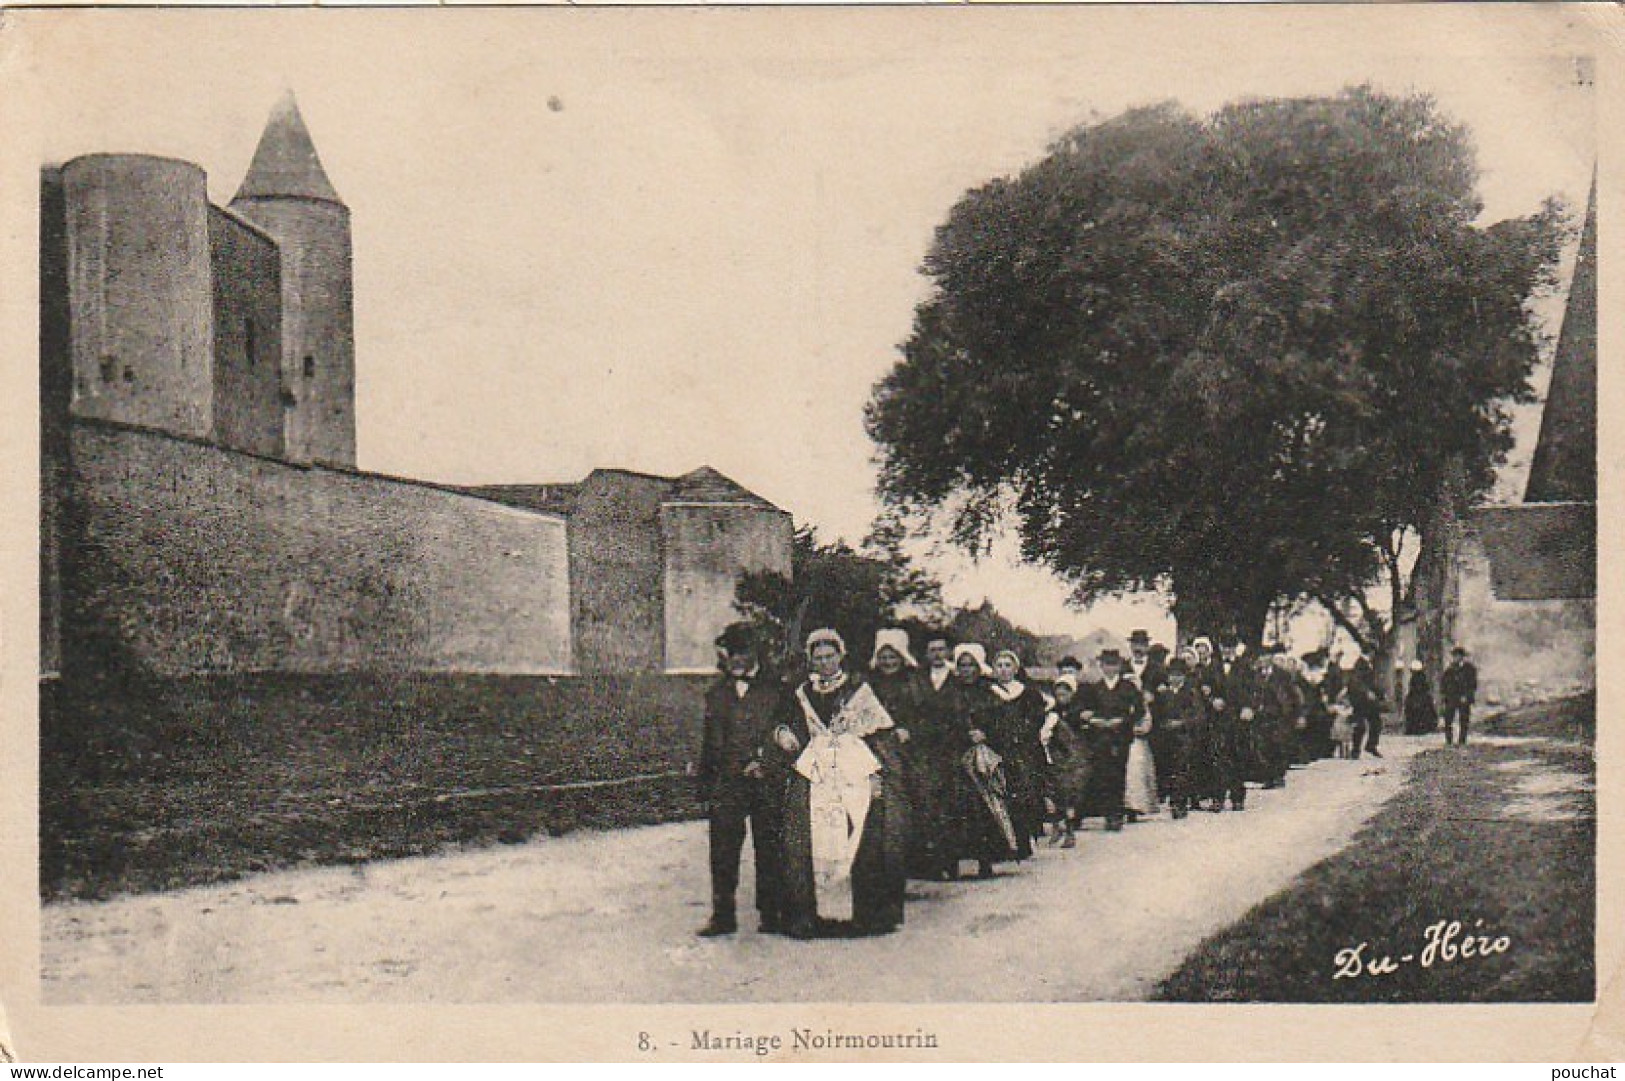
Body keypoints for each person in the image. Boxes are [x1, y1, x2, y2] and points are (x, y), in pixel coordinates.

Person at [781, 628, 908, 938]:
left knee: (859, 833)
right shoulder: (802, 694)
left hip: (853, 769)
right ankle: (812, 915)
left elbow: (880, 735)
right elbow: (790, 725)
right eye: (818, 657)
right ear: (810, 660)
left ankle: (864, 915)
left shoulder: (859, 691)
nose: (824, 663)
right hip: (818, 770)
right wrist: (784, 733)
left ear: (841, 656)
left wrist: (877, 774)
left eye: (830, 656)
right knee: (808, 833)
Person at [695, 622, 796, 937]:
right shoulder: (716, 694)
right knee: (723, 851)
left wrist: (765, 762)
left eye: (744, 652)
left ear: (756, 654)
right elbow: (710, 743)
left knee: (769, 847)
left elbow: (790, 734)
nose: (737, 659)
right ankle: (723, 915)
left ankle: (771, 913)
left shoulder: (778, 692)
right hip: (727, 784)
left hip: (765, 781)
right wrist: (706, 785)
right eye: (732, 653)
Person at [942, 643, 1019, 878]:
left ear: (979, 667)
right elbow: (939, 722)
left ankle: (985, 860)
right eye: (962, 665)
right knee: (955, 809)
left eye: (971, 665)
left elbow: (1005, 724)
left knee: (984, 808)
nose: (966, 670)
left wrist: (986, 734)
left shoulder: (990, 692)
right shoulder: (949, 692)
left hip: (981, 759)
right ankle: (952, 862)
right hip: (955, 756)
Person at [986, 649, 1046, 852]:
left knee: (1023, 792)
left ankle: (1024, 840)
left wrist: (1022, 734)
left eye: (1007, 665)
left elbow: (1038, 718)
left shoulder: (1027, 692)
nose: (1003, 670)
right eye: (999, 666)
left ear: (1016, 669)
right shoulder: (988, 692)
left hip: (1023, 749)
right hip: (998, 749)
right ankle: (1005, 843)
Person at [1077, 648, 1141, 831]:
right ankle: (1107, 813)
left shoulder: (1128, 688)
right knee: (1102, 774)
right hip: (1100, 736)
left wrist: (1122, 721)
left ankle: (1116, 815)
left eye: (1114, 664)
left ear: (1120, 666)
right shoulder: (1095, 688)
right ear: (1101, 666)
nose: (1110, 668)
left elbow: (1139, 710)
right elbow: (1085, 710)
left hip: (1120, 737)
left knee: (1118, 774)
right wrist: (1094, 719)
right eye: (1107, 664)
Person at [1150, 657, 1207, 818]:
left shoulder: (1191, 693)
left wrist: (1182, 723)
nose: (1175, 678)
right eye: (1172, 675)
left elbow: (1199, 716)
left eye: (1179, 675)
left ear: (1184, 676)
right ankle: (1171, 799)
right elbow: (1156, 715)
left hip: (1184, 737)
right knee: (1168, 769)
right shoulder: (1163, 695)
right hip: (1165, 738)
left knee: (1182, 769)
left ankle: (1179, 803)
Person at [1040, 674, 1090, 846]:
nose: (1061, 697)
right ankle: (1057, 826)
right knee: (1054, 795)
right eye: (1058, 694)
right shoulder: (1052, 714)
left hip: (1072, 758)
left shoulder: (1077, 712)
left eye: (1065, 694)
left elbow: (1074, 738)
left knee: (1069, 797)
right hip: (1056, 758)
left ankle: (1069, 831)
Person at [1347, 656, 1384, 759]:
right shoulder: (1360, 664)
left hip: (1368, 703)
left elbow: (1372, 684)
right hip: (1359, 701)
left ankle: (1371, 745)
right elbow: (1356, 682)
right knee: (1360, 726)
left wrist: (1380, 694)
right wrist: (1366, 692)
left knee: (1376, 723)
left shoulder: (1369, 665)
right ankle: (1355, 750)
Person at [1441, 646, 1478, 746]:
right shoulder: (1449, 669)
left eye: (1457, 656)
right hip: (1451, 697)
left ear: (1462, 657)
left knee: (1464, 719)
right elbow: (1444, 683)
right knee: (1448, 719)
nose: (1455, 658)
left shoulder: (1469, 669)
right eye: (1454, 656)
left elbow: (1472, 684)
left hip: (1463, 698)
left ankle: (1462, 740)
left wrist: (1467, 695)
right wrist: (1444, 696)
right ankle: (1449, 740)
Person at [1403, 659, 1439, 736]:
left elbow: (1421, 688)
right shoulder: (1419, 677)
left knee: (1419, 711)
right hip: (1418, 696)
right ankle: (1416, 728)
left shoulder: (1420, 678)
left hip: (1420, 696)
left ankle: (1418, 728)